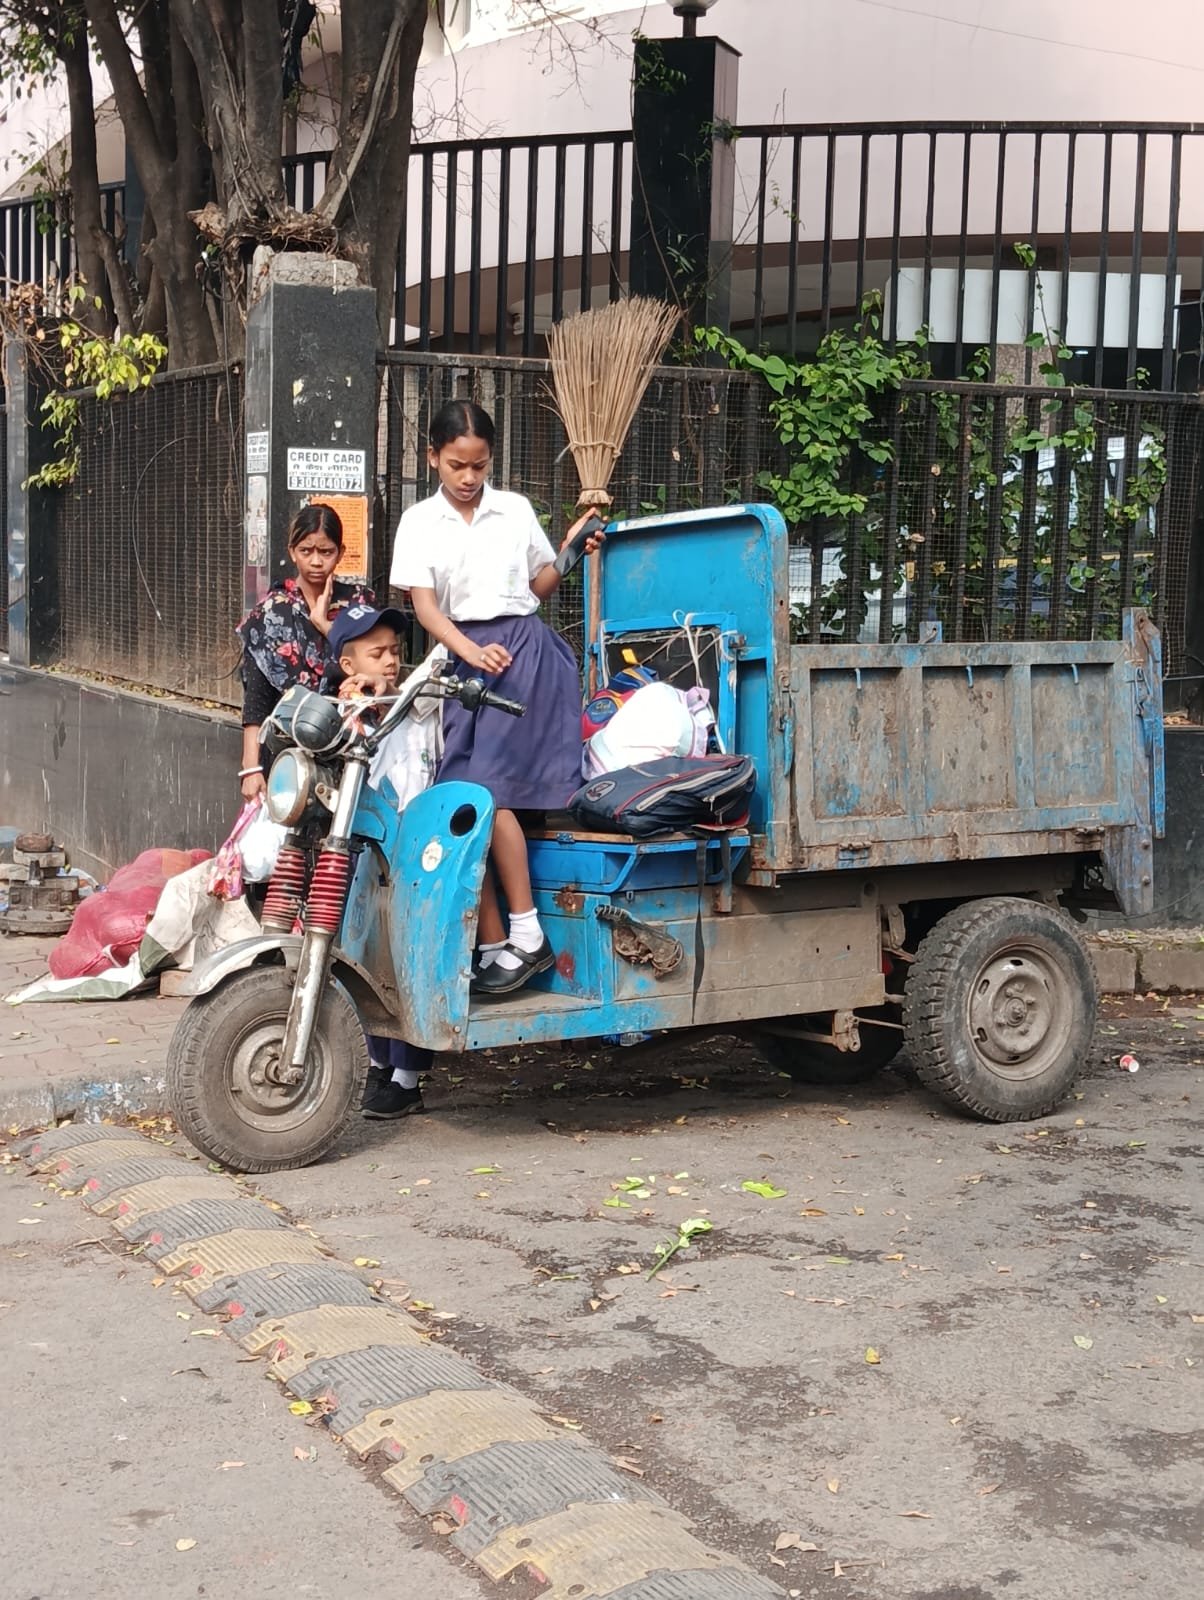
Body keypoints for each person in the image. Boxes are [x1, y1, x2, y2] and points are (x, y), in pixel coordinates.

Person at [390, 399, 602, 997]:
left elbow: (538, 585)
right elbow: (425, 607)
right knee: (462, 801)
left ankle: (527, 934)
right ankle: (492, 943)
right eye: (457, 464)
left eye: (480, 466)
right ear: (433, 457)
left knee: (487, 796)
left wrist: (569, 548)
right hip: (467, 660)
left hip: (523, 657)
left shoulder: (512, 510)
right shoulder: (419, 522)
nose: (468, 477)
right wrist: (468, 651)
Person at [327, 602, 433, 1120]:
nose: (391, 661)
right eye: (377, 653)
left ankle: (408, 1079)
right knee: (361, 951)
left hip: (410, 850)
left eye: (395, 651)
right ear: (348, 666)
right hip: (365, 851)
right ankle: (376, 1062)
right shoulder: (346, 711)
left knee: (403, 956)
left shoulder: (417, 701)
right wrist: (355, 709)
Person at [235, 504, 374, 804]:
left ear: (340, 551)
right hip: (286, 754)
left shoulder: (360, 606)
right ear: (292, 550)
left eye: (326, 552)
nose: (315, 561)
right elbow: (257, 699)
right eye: (306, 550)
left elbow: (376, 668)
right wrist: (251, 767)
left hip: (353, 752)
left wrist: (327, 628)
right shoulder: (273, 612)